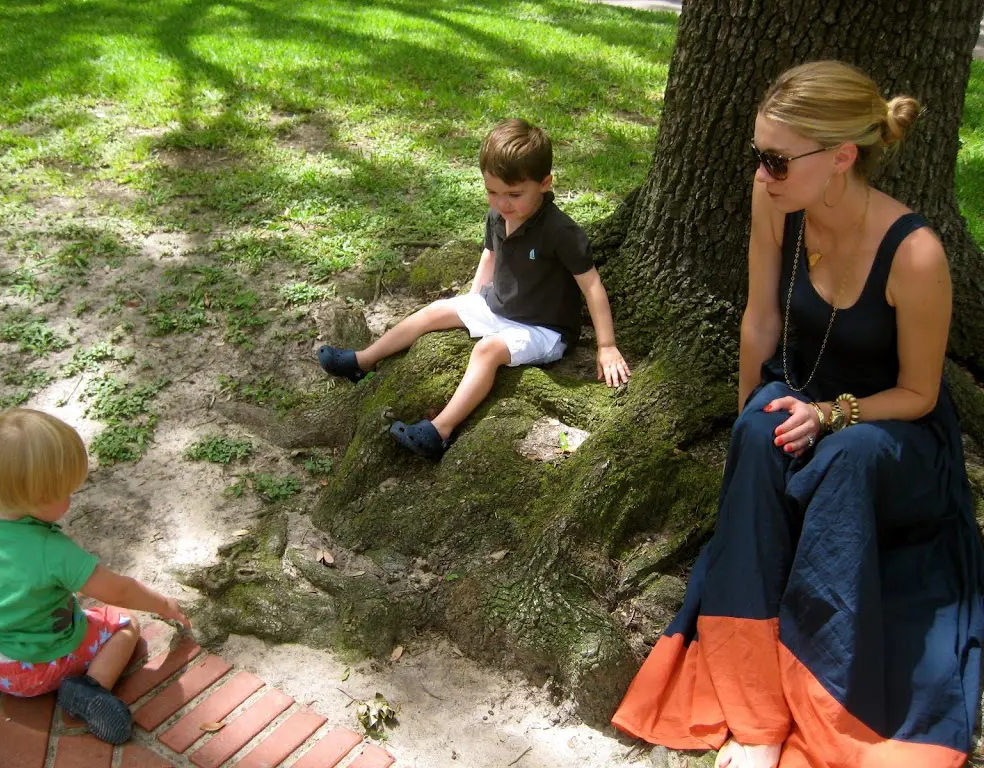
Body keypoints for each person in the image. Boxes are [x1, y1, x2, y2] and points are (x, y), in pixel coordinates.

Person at [612, 60, 984, 768]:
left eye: (778, 160)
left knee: (847, 457)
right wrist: (746, 436)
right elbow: (760, 321)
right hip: (801, 390)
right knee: (759, 428)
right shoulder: (774, 201)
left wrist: (831, 414)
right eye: (759, 154)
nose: (763, 173)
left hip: (891, 433)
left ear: (840, 157)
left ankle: (822, 697)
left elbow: (919, 394)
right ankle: (756, 712)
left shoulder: (915, 255)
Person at [317, 118, 631, 460]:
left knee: (486, 351)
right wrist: (472, 298)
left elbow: (592, 285)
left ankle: (439, 431)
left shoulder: (561, 232)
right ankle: (364, 360)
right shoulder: (497, 216)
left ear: (544, 183)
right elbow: (490, 255)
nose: (502, 203)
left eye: (514, 194)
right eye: (492, 192)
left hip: (542, 329)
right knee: (436, 310)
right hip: (498, 305)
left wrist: (606, 346)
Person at [0, 409, 190, 745]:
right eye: (65, 493)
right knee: (123, 624)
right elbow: (119, 591)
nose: (70, 499)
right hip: (32, 672)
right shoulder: (52, 552)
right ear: (39, 498)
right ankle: (90, 690)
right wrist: (163, 604)